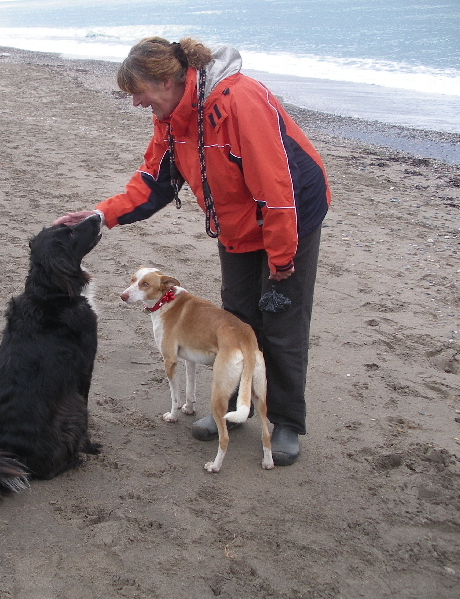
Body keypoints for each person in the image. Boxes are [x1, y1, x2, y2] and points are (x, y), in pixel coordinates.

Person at [54, 37, 331, 466]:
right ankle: (236, 410)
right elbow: (153, 181)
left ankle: (286, 420)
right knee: (236, 319)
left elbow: (278, 188)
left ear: (166, 81)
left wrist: (281, 257)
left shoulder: (240, 101)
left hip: (291, 212)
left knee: (281, 319)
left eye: (139, 93)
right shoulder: (171, 118)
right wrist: (99, 216)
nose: (136, 104)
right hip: (235, 221)